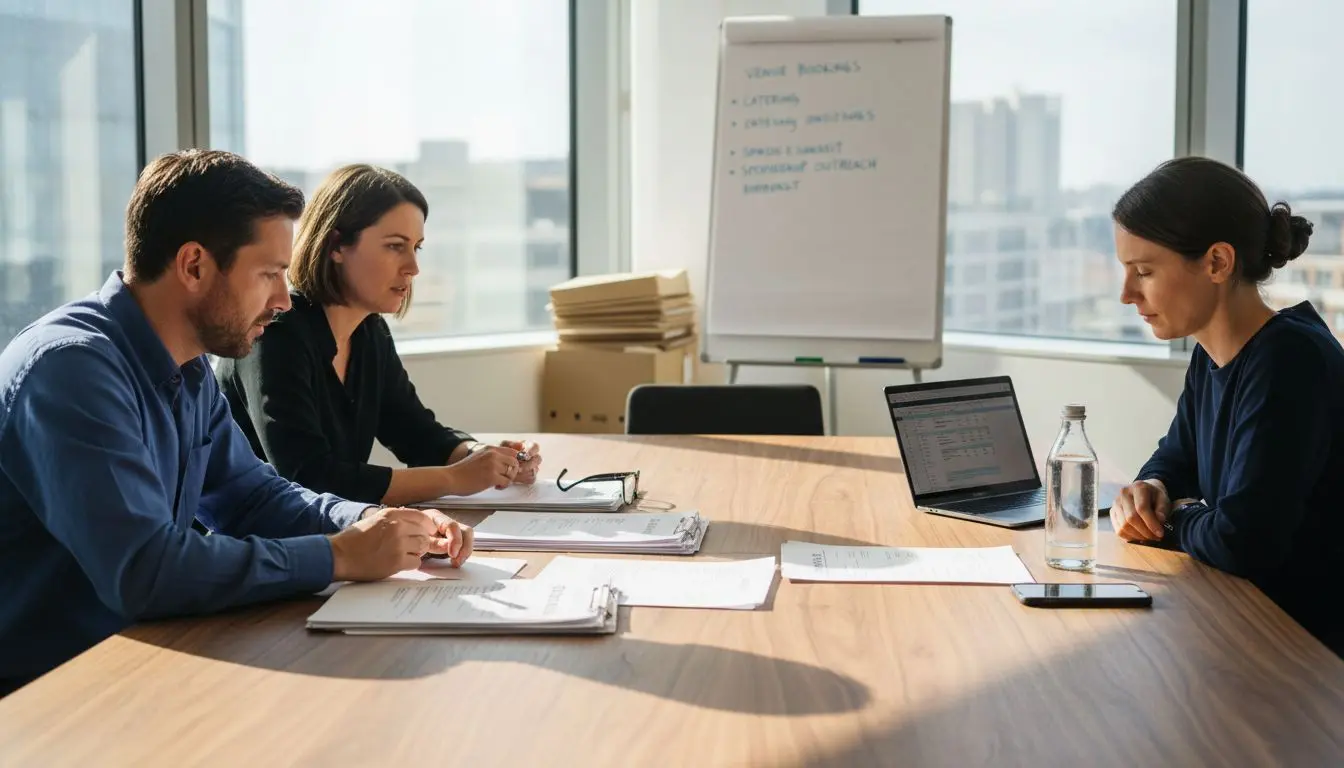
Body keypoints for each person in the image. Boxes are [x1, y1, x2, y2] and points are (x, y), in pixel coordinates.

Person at [0, 150, 475, 697]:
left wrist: (375, 522)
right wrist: (340, 554)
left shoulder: (189, 366)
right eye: (269, 274)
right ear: (195, 265)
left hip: (139, 661)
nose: (282, 298)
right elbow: (145, 571)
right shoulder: (71, 368)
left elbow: (249, 497)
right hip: (44, 692)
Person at [1109, 156, 1343, 655]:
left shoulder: (1289, 360)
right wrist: (1152, 488)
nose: (1127, 294)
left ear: (1217, 262)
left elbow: (1243, 540)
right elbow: (1177, 457)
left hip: (1307, 660)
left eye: (1144, 271)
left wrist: (1169, 521)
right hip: (1250, 629)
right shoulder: (1213, 354)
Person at [215, 164, 541, 507]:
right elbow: (308, 477)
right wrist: (454, 478)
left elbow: (417, 435)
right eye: (395, 246)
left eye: (416, 248)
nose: (413, 268)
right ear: (336, 245)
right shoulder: (275, 332)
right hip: (255, 544)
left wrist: (486, 457)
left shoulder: (369, 331)